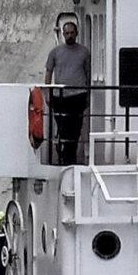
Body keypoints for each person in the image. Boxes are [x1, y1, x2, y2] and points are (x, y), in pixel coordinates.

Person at [44, 17, 91, 166]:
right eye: (67, 33)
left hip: (78, 96)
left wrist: (88, 93)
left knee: (75, 128)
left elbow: (88, 73)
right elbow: (48, 72)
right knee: (63, 127)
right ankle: (63, 152)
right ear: (63, 34)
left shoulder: (84, 52)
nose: (69, 35)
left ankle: (70, 157)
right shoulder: (55, 52)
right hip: (60, 96)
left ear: (77, 33)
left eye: (72, 32)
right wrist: (48, 92)